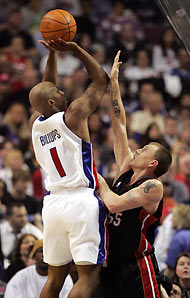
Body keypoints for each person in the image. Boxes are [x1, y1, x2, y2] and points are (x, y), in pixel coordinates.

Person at [29, 38, 109, 298]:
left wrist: (52, 55)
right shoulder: (73, 114)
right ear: (52, 103)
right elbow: (101, 81)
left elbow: (45, 89)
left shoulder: (35, 124)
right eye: (58, 93)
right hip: (80, 201)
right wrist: (75, 50)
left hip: (52, 206)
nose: (63, 92)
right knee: (89, 276)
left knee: (54, 279)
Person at [97, 51, 172, 298]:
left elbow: (115, 203)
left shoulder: (153, 187)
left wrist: (95, 178)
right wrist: (114, 86)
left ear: (152, 162)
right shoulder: (126, 168)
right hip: (112, 262)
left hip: (136, 264)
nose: (138, 148)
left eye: (146, 148)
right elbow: (119, 124)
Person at [4, 239, 74, 298]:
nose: (44, 255)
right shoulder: (21, 276)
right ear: (34, 255)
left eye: (48, 251)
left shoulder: (64, 277)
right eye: (41, 251)